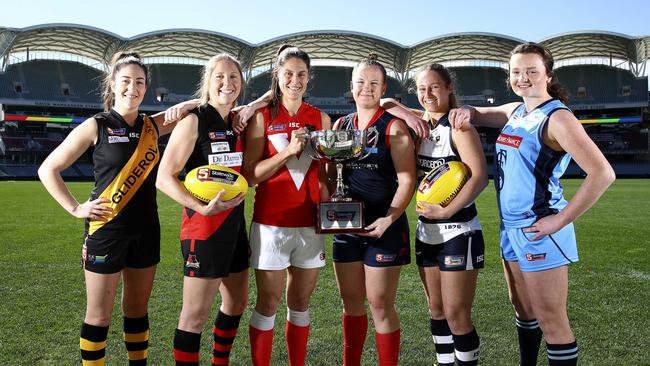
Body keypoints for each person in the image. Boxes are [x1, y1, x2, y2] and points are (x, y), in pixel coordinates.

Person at [448, 42, 616, 366]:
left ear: (548, 76)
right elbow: (482, 114)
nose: (523, 78)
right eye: (516, 72)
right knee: (523, 310)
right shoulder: (517, 111)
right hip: (510, 228)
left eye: (531, 71)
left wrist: (560, 220)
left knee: (552, 321)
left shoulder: (558, 118)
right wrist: (467, 111)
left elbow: (603, 173)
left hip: (539, 228)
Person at [38, 51, 176, 366]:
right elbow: (48, 169)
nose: (133, 88)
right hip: (106, 230)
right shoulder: (96, 125)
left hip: (146, 231)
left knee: (137, 311)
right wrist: (75, 208)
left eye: (139, 82)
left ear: (146, 87)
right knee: (99, 316)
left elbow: (200, 106)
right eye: (126, 81)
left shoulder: (152, 127)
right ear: (113, 84)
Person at [381, 63, 488, 366]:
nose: (427, 94)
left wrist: (447, 210)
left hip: (458, 231)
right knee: (437, 311)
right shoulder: (421, 125)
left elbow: (479, 177)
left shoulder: (459, 127)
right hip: (426, 232)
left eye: (435, 87)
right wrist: (410, 115)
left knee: (457, 316)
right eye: (421, 88)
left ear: (449, 88)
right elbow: (386, 103)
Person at [156, 54, 248, 366]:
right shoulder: (193, 120)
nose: (227, 83)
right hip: (204, 228)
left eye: (234, 77)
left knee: (236, 302)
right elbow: (164, 177)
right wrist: (200, 207)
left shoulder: (236, 123)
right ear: (208, 83)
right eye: (219, 77)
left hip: (235, 225)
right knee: (194, 316)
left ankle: (219, 362)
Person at [242, 45, 331, 366]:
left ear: (309, 78)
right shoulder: (261, 117)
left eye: (302, 75)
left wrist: (333, 193)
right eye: (289, 73)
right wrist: (286, 152)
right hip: (271, 226)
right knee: (268, 303)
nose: (295, 80)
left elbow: (325, 174)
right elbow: (250, 176)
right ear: (277, 75)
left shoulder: (320, 118)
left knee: (302, 303)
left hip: (310, 225)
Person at [332, 54, 416, 366]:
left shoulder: (394, 128)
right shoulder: (341, 125)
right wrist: (329, 199)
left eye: (373, 83)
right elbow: (333, 175)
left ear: (383, 89)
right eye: (360, 82)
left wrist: (389, 218)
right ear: (351, 87)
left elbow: (408, 179)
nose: (366, 88)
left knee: (380, 305)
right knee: (351, 303)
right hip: (346, 226)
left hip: (384, 227)